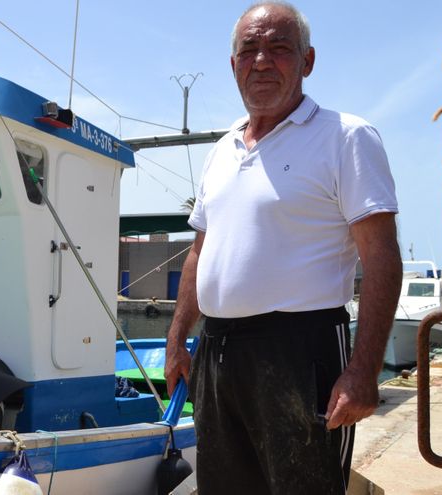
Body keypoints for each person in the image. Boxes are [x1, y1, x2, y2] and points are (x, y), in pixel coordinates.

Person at [162, 3, 402, 494]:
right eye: (249, 50)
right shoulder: (222, 150)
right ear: (234, 66)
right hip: (217, 352)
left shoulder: (346, 137)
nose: (262, 61)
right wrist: (177, 338)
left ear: (307, 61)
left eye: (279, 49)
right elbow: (198, 251)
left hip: (302, 351)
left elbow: (381, 258)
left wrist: (362, 370)